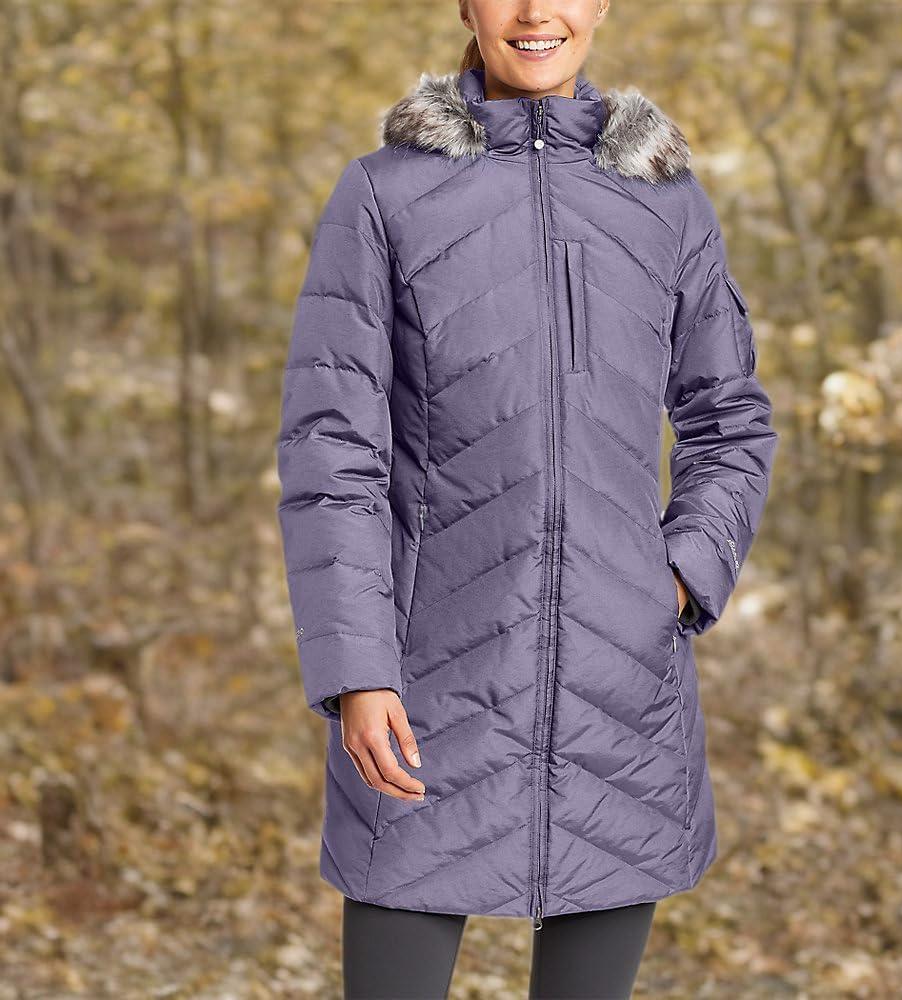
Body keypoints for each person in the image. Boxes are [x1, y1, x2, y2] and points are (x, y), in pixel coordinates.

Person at [275, 1, 778, 996]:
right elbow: (333, 452)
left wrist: (677, 579)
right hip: (424, 688)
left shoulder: (667, 201)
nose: (536, 11)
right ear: (467, 5)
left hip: (618, 695)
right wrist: (358, 667)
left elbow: (729, 422)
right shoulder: (383, 195)